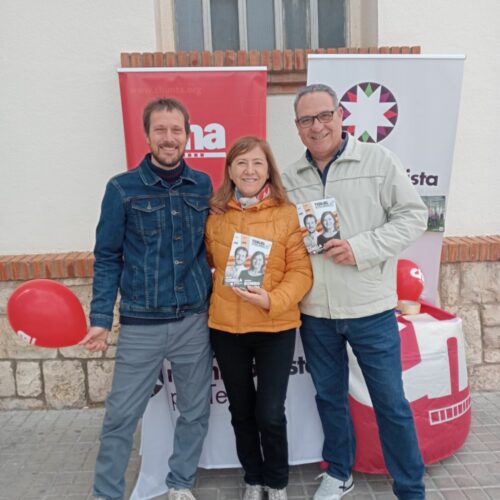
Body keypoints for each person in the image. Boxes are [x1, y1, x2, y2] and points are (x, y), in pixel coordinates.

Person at [281, 84, 428, 500]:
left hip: (370, 309)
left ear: (341, 115)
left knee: (390, 403)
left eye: (324, 115)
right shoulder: (290, 178)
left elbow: (413, 216)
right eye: (307, 120)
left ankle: (410, 488)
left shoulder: (378, 161)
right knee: (330, 398)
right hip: (316, 313)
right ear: (297, 127)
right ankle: (339, 471)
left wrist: (361, 248)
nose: (317, 126)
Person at [80, 98, 213, 500]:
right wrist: (100, 318)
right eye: (160, 130)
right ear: (147, 134)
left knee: (195, 411)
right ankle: (106, 494)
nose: (169, 138)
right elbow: (107, 257)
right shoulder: (122, 188)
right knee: (120, 416)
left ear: (187, 135)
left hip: (193, 321)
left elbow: (215, 246)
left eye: (176, 130)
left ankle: (180, 483)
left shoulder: (203, 185)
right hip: (142, 324)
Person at [205, 136, 313, 500]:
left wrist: (272, 300)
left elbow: (301, 272)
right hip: (227, 329)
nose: (249, 170)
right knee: (241, 411)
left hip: (274, 327)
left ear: (269, 171)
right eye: (241, 163)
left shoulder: (287, 214)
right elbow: (208, 263)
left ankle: (277, 481)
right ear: (230, 170)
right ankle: (253, 477)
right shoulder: (215, 217)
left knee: (270, 413)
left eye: (257, 163)